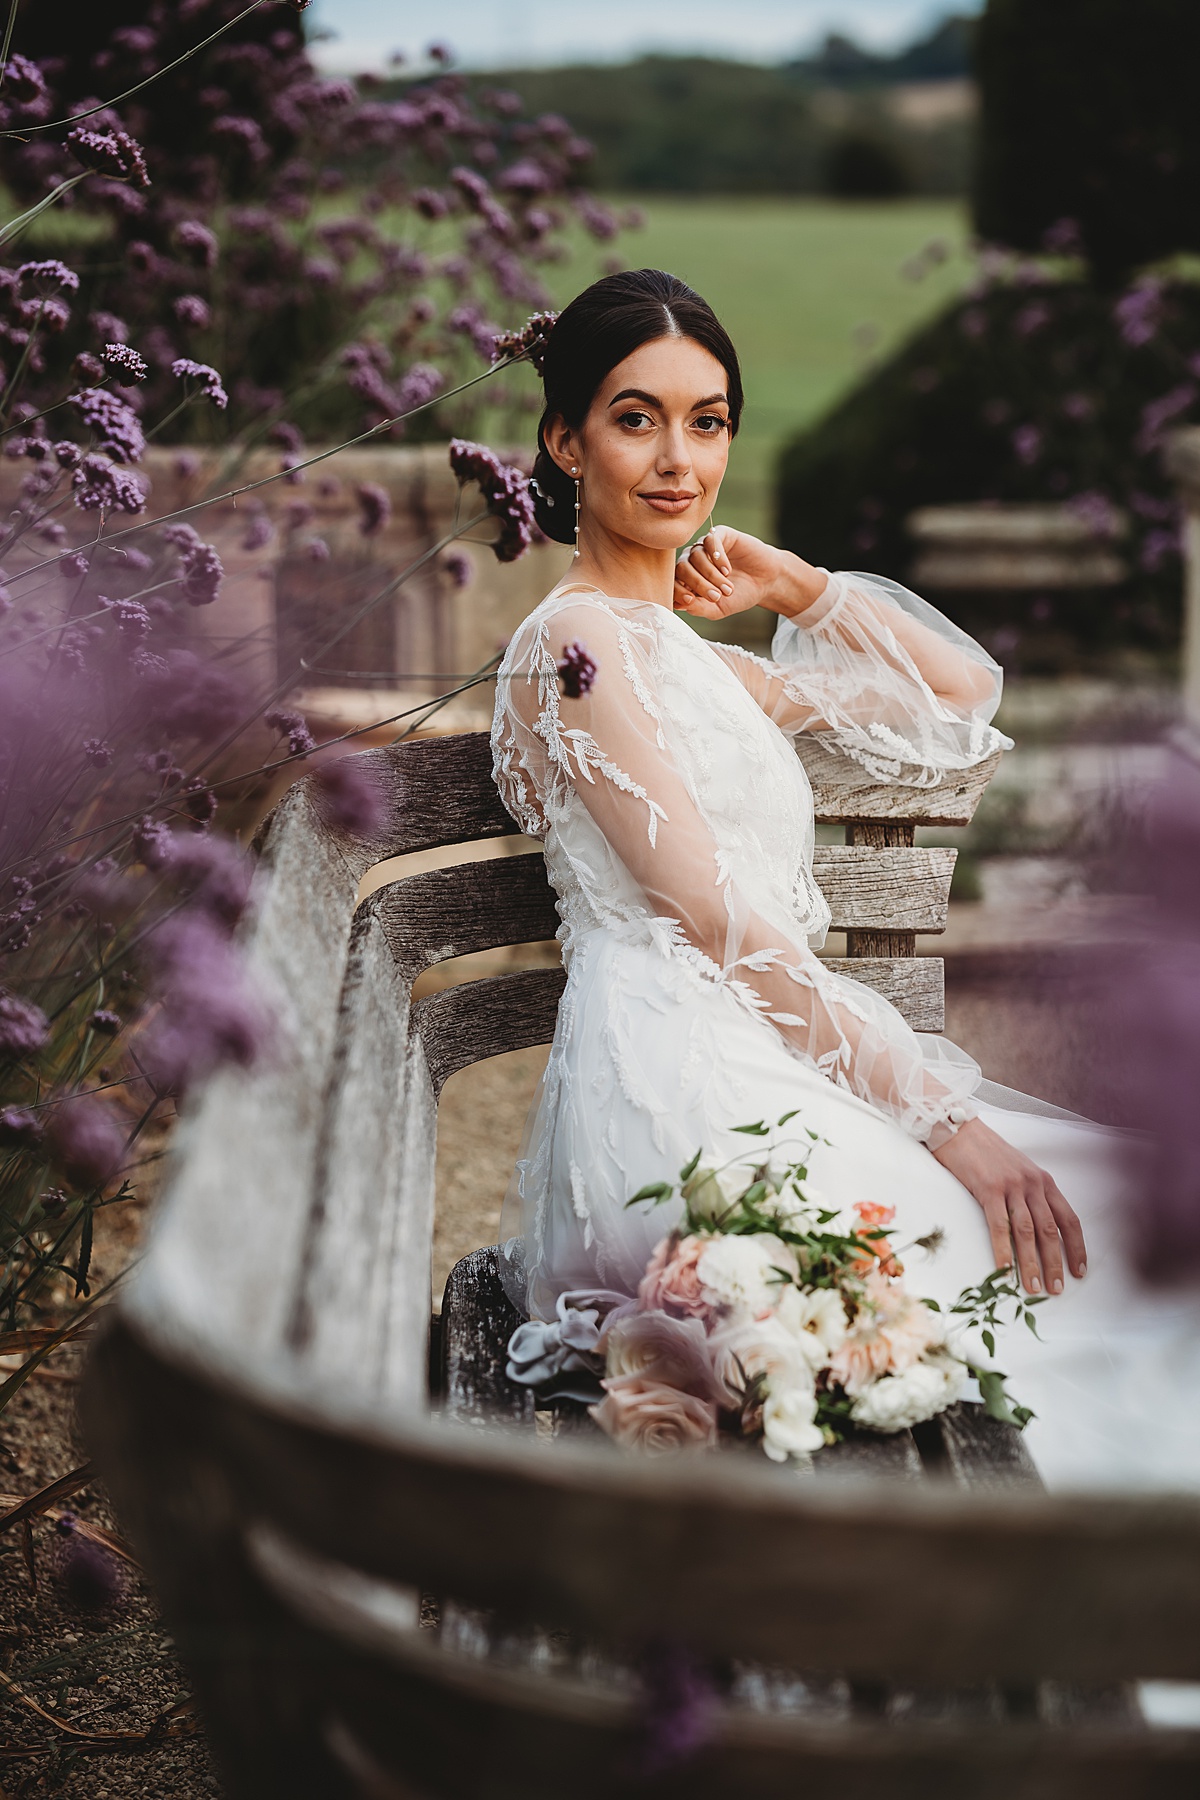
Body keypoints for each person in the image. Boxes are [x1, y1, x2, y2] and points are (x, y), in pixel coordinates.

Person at [490, 268, 1200, 1489]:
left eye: (707, 421)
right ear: (564, 440)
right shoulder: (576, 646)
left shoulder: (692, 660)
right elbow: (708, 918)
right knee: (1052, 1265)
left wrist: (794, 588)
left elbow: (958, 694)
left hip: (763, 1045)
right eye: (635, 416)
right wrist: (948, 1121)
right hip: (680, 1082)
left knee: (1105, 1245)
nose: (678, 460)